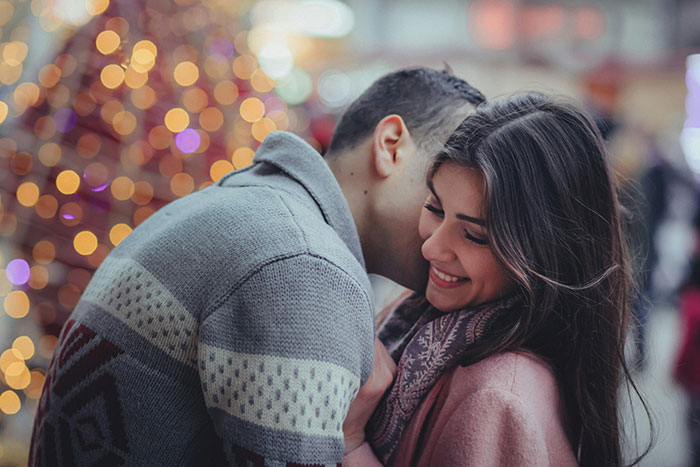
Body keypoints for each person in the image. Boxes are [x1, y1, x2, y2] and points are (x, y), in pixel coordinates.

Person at [28, 67, 485, 466]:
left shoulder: (251, 205)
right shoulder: (305, 265)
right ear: (390, 146)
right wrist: (351, 443)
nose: (453, 226)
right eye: (441, 190)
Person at [342, 92, 650, 466]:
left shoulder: (500, 397)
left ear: (546, 253)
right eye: (435, 208)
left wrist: (351, 441)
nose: (431, 249)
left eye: (475, 236)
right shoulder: (425, 319)